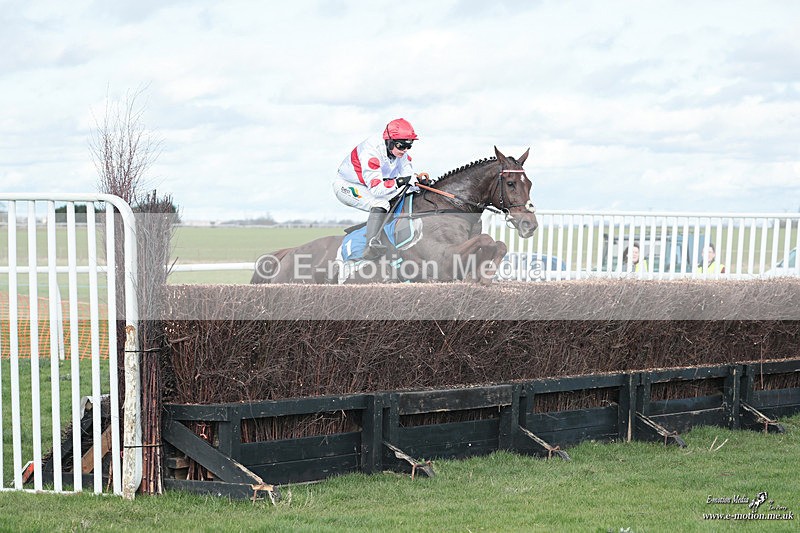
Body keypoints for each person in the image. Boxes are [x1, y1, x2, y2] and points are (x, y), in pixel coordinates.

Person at [332, 118, 427, 260]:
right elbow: (377, 189)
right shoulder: (371, 152)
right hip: (347, 185)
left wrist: (419, 182)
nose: (405, 150)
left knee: (404, 194)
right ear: (389, 141)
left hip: (373, 184)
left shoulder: (400, 152)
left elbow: (408, 177)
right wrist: (403, 181)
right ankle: (370, 245)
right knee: (380, 203)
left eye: (409, 145)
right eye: (401, 146)